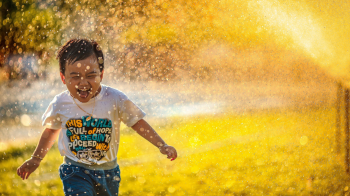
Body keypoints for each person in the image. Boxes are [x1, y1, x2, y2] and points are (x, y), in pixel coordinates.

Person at [16, 38, 177, 196]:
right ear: (63, 78)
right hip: (75, 170)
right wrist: (36, 158)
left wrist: (161, 145)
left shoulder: (115, 98)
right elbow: (51, 131)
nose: (83, 82)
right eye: (75, 76)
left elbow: (137, 122)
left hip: (108, 172)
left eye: (91, 75)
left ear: (101, 74)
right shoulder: (61, 103)